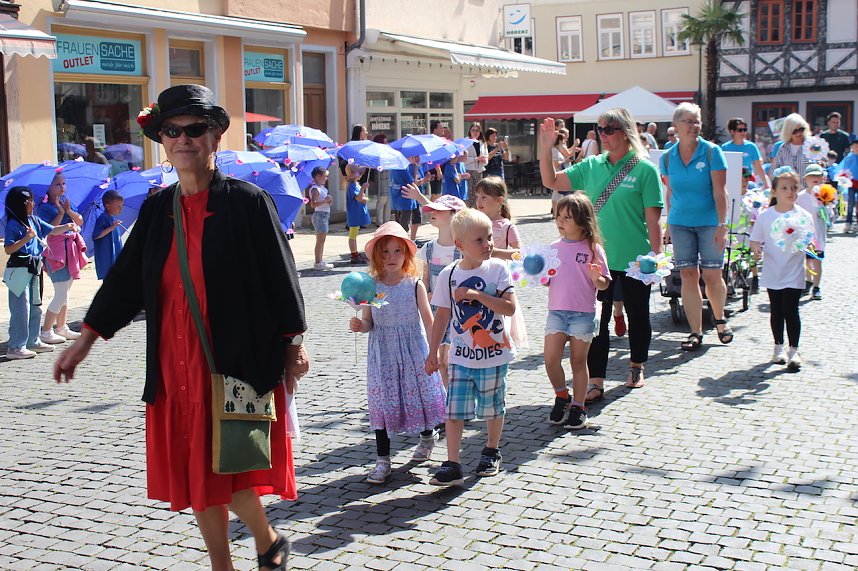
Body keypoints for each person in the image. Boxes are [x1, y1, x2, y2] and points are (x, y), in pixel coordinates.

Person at [52, 84, 307, 570]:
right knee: (198, 473)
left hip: (234, 357)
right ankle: (224, 563)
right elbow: (124, 281)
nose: (183, 139)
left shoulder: (248, 203)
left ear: (215, 137)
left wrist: (293, 345)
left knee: (227, 465)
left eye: (196, 129)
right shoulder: (155, 210)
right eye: (173, 130)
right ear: (162, 140)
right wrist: (84, 341)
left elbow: (281, 276)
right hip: (174, 365)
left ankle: (266, 538)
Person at [538, 110, 663, 396]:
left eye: (611, 129)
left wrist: (654, 259)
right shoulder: (591, 165)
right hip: (595, 258)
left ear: (626, 131)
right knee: (598, 322)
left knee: (638, 315)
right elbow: (552, 181)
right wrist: (546, 148)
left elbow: (653, 220)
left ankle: (636, 364)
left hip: (634, 259)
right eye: (601, 129)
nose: (604, 134)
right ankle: (596, 381)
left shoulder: (645, 170)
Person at [349, 222, 447, 484]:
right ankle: (383, 459)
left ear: (406, 254)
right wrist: (361, 325)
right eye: (385, 252)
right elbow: (369, 321)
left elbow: (428, 321)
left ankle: (427, 436)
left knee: (419, 394)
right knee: (383, 401)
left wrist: (433, 352)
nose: (391, 258)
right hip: (383, 353)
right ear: (376, 256)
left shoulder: (414, 285)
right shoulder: (371, 287)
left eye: (397, 251)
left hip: (413, 349)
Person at [425, 208, 517, 486]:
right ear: (460, 245)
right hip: (460, 357)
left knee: (492, 407)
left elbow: (509, 308)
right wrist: (432, 352)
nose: (488, 244)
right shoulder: (449, 275)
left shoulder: (498, 269)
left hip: (493, 355)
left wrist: (478, 295)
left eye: (489, 237)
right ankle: (452, 463)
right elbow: (441, 315)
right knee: (454, 411)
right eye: (479, 240)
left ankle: (491, 450)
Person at [660, 102, 733, 351]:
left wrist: (722, 224)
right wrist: (668, 223)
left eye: (697, 121)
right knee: (689, 276)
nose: (694, 126)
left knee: (712, 275)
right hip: (681, 223)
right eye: (689, 121)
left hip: (709, 223)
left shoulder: (712, 152)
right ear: (676, 126)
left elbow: (720, 191)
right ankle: (695, 332)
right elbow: (670, 193)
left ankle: (720, 319)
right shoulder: (667, 157)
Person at [545, 193, 610, 430]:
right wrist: (542, 278)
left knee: (578, 362)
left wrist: (598, 277)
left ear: (583, 221)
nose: (560, 221)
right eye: (558, 216)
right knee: (551, 360)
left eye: (567, 217)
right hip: (557, 312)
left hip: (583, 314)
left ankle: (579, 406)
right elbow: (546, 279)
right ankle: (562, 396)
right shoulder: (552, 249)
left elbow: (603, 283)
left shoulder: (594, 249)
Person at [4, 187, 76, 359]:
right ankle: (15, 346)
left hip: (34, 268)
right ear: (23, 204)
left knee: (35, 307)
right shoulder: (13, 224)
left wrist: (68, 226)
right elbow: (8, 249)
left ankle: (32, 340)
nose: (34, 204)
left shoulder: (33, 220)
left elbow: (52, 229)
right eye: (30, 201)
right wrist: (26, 239)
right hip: (19, 269)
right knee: (22, 309)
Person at [750, 167, 806, 371]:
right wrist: (756, 249)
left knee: (792, 310)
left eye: (794, 188)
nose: (790, 192)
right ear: (774, 191)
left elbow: (809, 238)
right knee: (777, 309)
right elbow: (755, 239)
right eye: (784, 188)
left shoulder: (803, 215)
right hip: (774, 269)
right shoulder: (766, 216)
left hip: (794, 269)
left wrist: (806, 246)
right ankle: (778, 346)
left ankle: (794, 349)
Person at [417, 194, 466, 387]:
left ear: (455, 216)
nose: (433, 213)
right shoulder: (428, 249)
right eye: (432, 210)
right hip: (436, 314)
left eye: (439, 210)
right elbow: (425, 279)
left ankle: (461, 401)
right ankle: (449, 403)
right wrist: (426, 297)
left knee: (451, 359)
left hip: (458, 314)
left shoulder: (462, 249)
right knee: (440, 362)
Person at [474, 176, 527, 350]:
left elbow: (519, 253)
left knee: (498, 316)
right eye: (477, 197)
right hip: (477, 276)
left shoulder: (507, 226)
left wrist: (496, 252)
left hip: (499, 280)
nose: (479, 201)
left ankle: (499, 346)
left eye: (484, 197)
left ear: (499, 200)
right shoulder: (474, 222)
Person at [37, 171, 85, 344]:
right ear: (48, 188)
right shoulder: (44, 208)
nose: (62, 187)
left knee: (66, 291)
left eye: (63, 183)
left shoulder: (67, 202)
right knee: (60, 292)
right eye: (57, 184)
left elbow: (79, 221)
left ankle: (61, 326)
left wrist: (68, 210)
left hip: (70, 251)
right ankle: (46, 330)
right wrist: (59, 212)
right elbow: (49, 229)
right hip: (55, 253)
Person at [795, 164, 827, 300]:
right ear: (805, 179)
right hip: (804, 234)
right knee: (807, 260)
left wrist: (825, 210)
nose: (815, 178)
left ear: (822, 178)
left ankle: (817, 286)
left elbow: (831, 213)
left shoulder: (825, 194)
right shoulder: (800, 196)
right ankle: (807, 280)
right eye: (812, 176)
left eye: (818, 176)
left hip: (819, 234)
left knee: (818, 260)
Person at [722, 118, 771, 189]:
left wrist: (766, 184)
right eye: (740, 130)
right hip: (731, 181)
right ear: (732, 131)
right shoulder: (725, 147)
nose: (743, 132)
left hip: (748, 179)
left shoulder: (751, 146)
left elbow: (758, 167)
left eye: (744, 130)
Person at [389, 156, 429, 240]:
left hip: (398, 200)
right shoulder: (403, 169)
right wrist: (419, 194)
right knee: (404, 225)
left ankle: (401, 241)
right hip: (406, 200)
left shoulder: (394, 169)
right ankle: (403, 242)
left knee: (400, 223)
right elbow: (412, 183)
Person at [92, 190, 124, 280]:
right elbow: (96, 235)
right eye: (118, 207)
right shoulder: (103, 218)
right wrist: (111, 228)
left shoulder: (112, 218)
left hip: (114, 256)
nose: (121, 209)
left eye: (121, 206)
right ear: (108, 206)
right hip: (106, 257)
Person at [308, 166, 334, 270]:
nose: (326, 178)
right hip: (320, 215)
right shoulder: (315, 189)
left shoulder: (323, 189)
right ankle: (318, 262)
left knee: (322, 240)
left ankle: (320, 261)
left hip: (324, 214)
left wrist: (329, 200)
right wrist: (325, 200)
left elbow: (328, 204)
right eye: (325, 176)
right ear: (318, 176)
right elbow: (313, 204)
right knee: (320, 240)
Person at [345, 163, 371, 264]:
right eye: (359, 172)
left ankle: (355, 253)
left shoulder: (355, 184)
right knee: (353, 235)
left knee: (354, 234)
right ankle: (354, 255)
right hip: (354, 213)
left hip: (356, 212)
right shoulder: (352, 185)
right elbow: (359, 198)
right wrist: (363, 189)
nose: (361, 174)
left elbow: (361, 198)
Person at [462, 122, 488, 206]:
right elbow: (463, 158)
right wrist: (475, 159)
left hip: (478, 171)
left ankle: (476, 210)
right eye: (473, 130)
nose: (475, 132)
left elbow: (486, 156)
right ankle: (468, 210)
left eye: (477, 130)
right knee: (469, 193)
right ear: (470, 131)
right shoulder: (465, 142)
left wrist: (484, 160)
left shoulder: (482, 143)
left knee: (478, 193)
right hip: (468, 170)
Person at [372, 133, 392, 225]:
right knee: (382, 199)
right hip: (382, 177)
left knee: (388, 201)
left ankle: (386, 221)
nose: (387, 142)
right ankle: (379, 221)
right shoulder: (377, 153)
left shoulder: (388, 151)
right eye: (385, 141)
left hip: (389, 177)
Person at [841, 138, 858, 233]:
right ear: (852, 147)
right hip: (851, 183)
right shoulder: (849, 157)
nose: (856, 148)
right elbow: (844, 169)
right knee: (850, 203)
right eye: (855, 146)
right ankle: (848, 222)